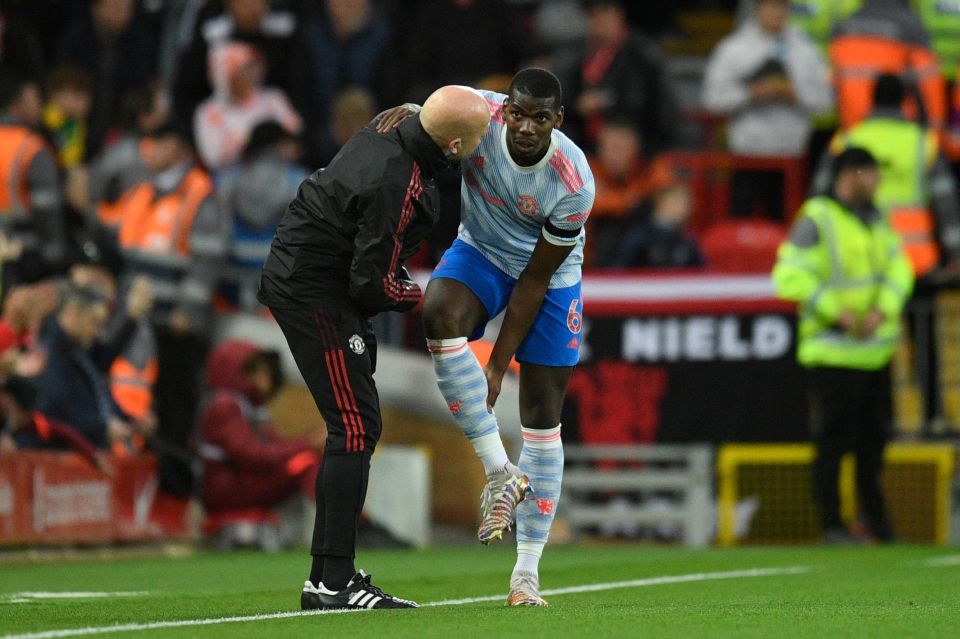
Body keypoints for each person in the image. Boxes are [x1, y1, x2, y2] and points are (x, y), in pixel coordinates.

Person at [258, 85, 490, 610]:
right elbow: (372, 284)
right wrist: (430, 297)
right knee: (355, 425)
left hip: (314, 272)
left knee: (358, 425)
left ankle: (329, 574)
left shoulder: (400, 120)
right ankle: (332, 581)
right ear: (453, 145)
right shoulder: (397, 183)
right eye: (475, 141)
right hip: (317, 289)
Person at [380, 68, 596, 606]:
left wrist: (498, 364)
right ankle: (500, 471)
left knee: (543, 417)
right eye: (518, 113)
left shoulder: (573, 182)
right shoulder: (477, 113)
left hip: (548, 275)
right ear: (505, 110)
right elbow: (427, 114)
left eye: (539, 118)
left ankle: (526, 576)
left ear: (558, 121)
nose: (525, 126)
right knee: (438, 312)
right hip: (480, 249)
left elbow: (535, 282)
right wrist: (404, 116)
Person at [772, 147, 914, 543]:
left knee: (874, 442)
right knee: (833, 442)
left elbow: (899, 268)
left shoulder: (876, 218)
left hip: (874, 352)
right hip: (832, 351)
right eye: (871, 174)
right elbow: (788, 275)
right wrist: (839, 313)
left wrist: (882, 310)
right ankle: (832, 523)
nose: (877, 182)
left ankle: (874, 521)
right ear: (850, 175)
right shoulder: (817, 218)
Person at [702, 0, 833, 221]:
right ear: (758, 9)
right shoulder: (734, 48)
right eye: (771, 5)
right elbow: (712, 99)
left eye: (782, 6)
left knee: (788, 228)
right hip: (747, 157)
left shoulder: (805, 49)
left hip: (793, 158)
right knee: (741, 230)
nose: (777, 12)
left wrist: (793, 93)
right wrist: (751, 94)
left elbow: (826, 100)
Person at [199, 339, 322, 550]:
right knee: (305, 461)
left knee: (309, 458)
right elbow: (253, 456)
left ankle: (348, 525)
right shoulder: (226, 405)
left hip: (241, 482)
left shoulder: (247, 405)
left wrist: (309, 442)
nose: (264, 379)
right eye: (256, 372)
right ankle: (352, 527)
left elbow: (273, 446)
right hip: (228, 489)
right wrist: (308, 442)